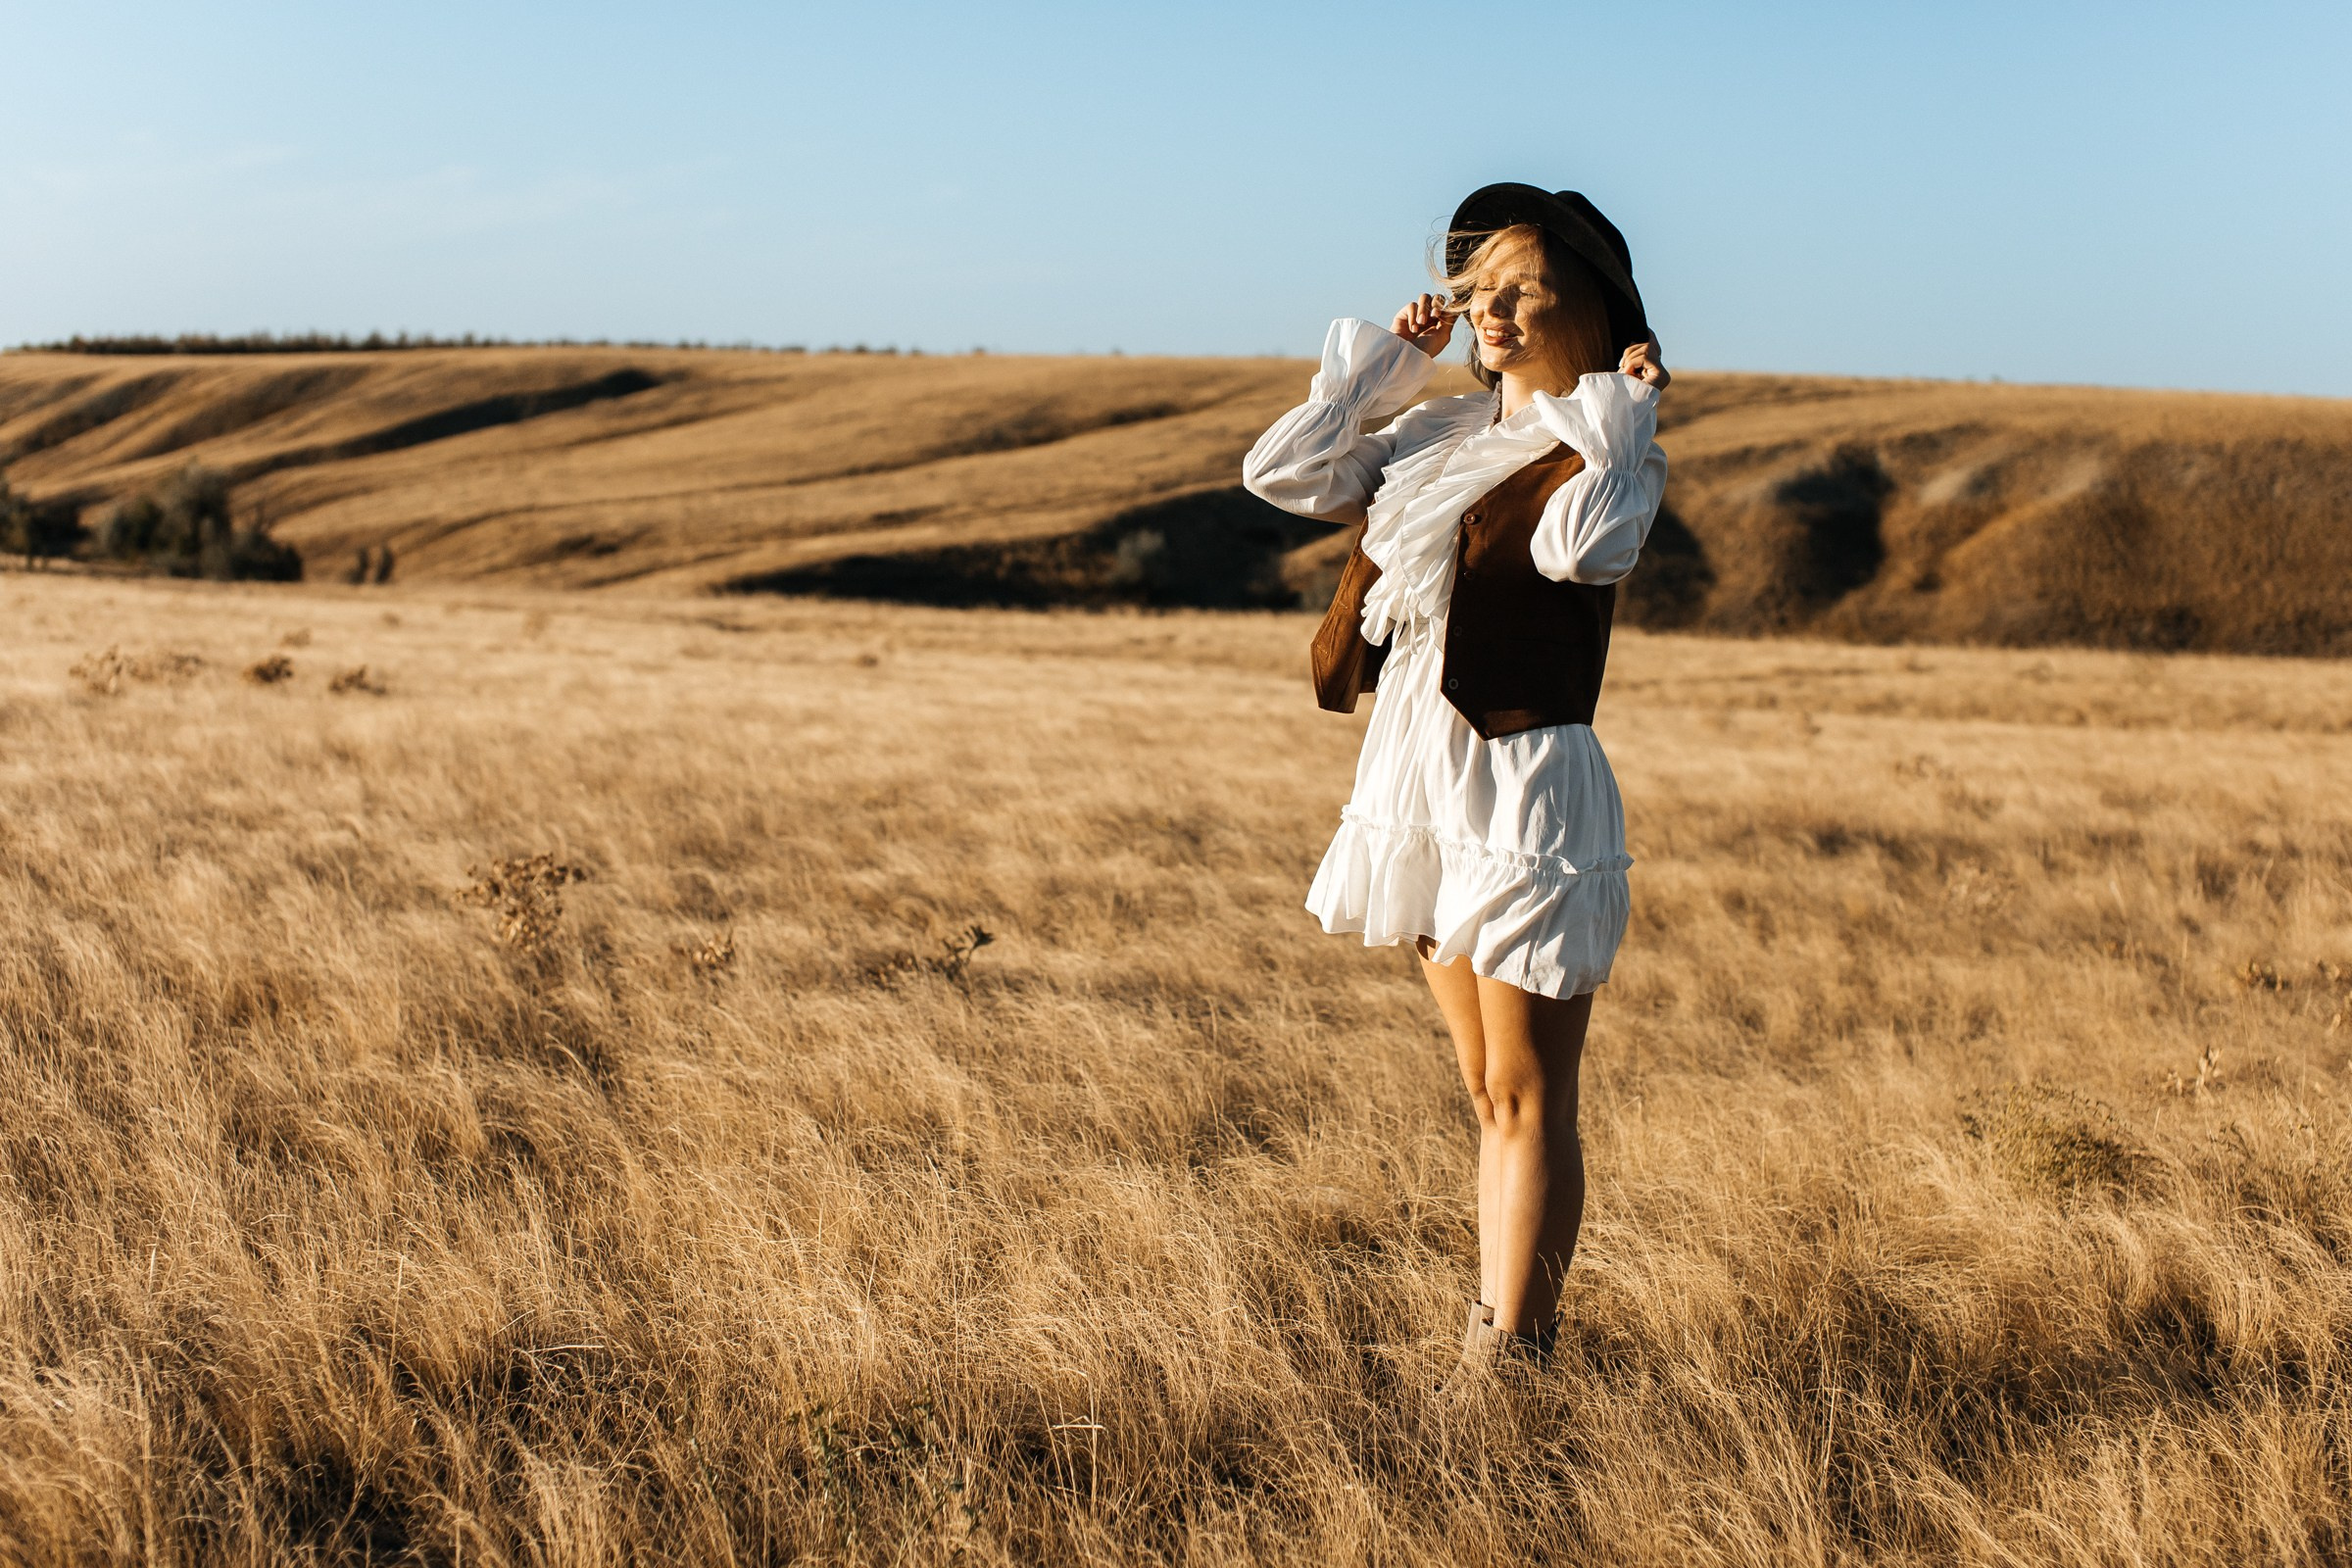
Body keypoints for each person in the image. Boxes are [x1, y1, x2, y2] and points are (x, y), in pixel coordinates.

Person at [1242, 183, 1669, 1388]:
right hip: (1419, 777)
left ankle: (1514, 1369)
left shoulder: (1607, 446)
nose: (1490, 306)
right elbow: (1282, 474)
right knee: (1486, 1090)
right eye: (1479, 289)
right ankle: (1493, 1334)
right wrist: (1383, 371)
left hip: (1522, 781)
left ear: (1590, 304)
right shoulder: (1433, 437)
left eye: (1520, 286)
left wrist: (1622, 419)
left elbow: (1579, 550)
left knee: (1531, 1091)